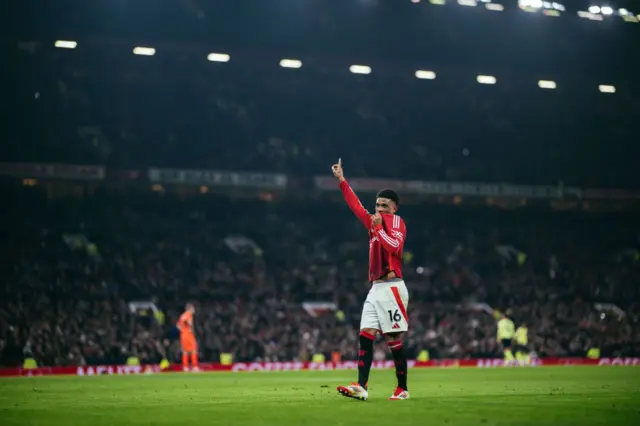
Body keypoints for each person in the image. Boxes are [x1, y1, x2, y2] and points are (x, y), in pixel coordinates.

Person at [332, 158, 410, 401]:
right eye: (377, 205)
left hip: (392, 286)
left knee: (393, 339)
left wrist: (377, 228)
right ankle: (361, 386)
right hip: (375, 288)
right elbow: (356, 206)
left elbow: (395, 247)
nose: (379, 209)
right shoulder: (374, 221)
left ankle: (402, 388)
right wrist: (342, 181)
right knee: (365, 333)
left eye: (384, 205)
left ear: (394, 207)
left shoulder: (395, 222)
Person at [177, 303, 199, 372]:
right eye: (193, 309)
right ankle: (195, 367)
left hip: (183, 335)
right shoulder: (188, 315)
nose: (194, 310)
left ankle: (185, 367)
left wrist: (182, 330)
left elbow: (178, 325)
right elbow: (190, 323)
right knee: (194, 350)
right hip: (189, 335)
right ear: (190, 309)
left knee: (185, 351)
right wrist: (191, 330)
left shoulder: (182, 315)